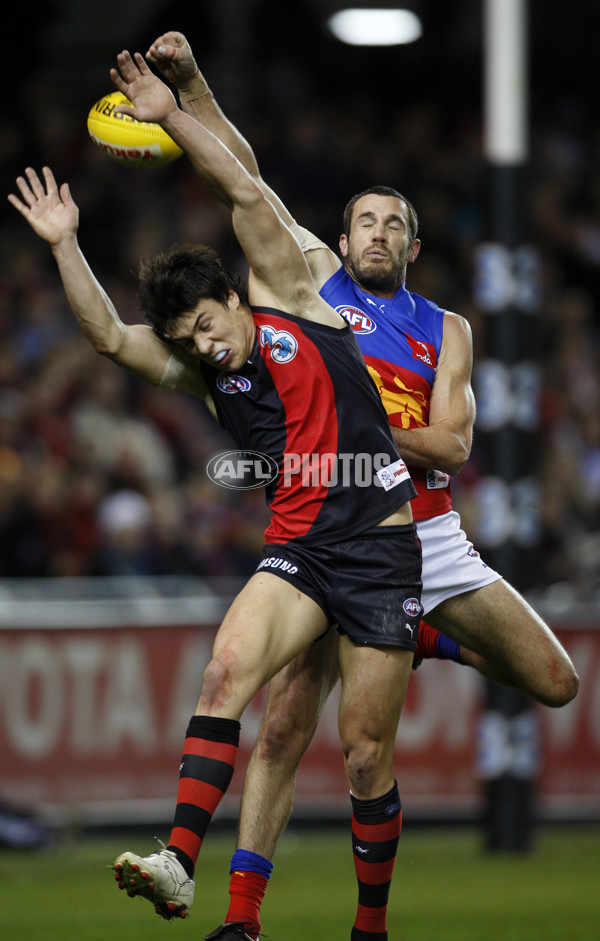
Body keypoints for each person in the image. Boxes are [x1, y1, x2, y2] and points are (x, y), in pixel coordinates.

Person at [140, 31, 579, 941]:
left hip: (430, 533)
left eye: (393, 223)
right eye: (364, 221)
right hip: (336, 527)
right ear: (340, 238)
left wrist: (372, 437)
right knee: (286, 729)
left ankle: (429, 633)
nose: (376, 234)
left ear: (414, 243)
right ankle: (241, 918)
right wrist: (191, 90)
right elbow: (248, 184)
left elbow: (454, 442)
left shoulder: (445, 327)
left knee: (555, 681)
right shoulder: (317, 285)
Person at [8, 50, 427, 941]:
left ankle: (371, 930)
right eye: (188, 340)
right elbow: (111, 343)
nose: (204, 347)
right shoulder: (212, 379)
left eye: (206, 326)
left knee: (362, 754)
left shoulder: (297, 299)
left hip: (384, 544)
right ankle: (180, 863)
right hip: (303, 554)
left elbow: (244, 193)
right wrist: (64, 245)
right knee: (224, 672)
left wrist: (173, 115)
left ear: (236, 298)